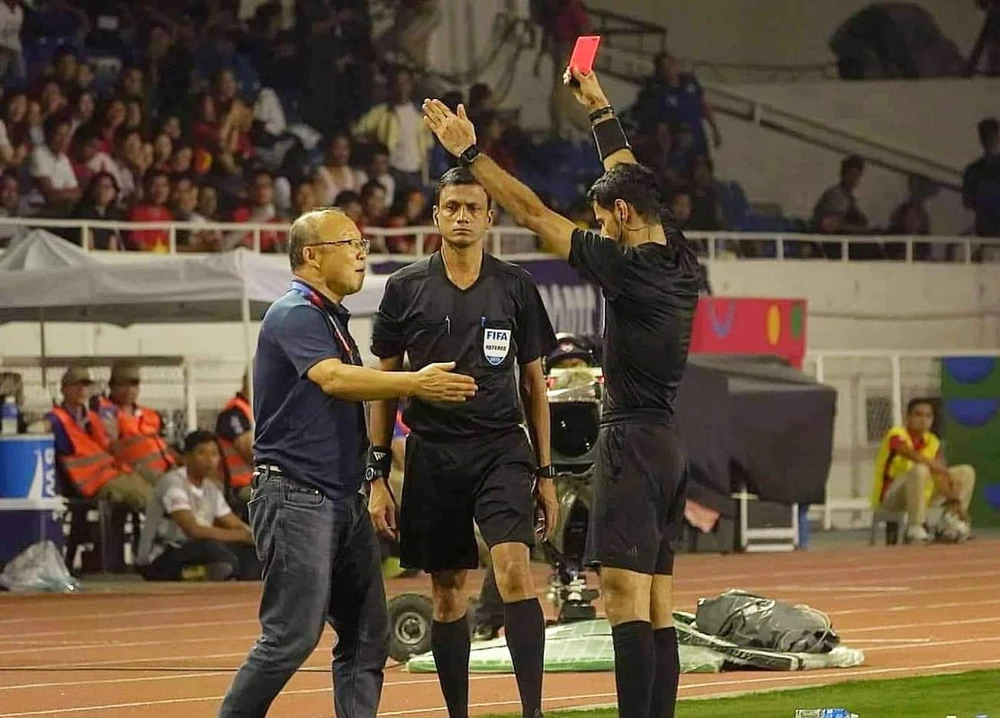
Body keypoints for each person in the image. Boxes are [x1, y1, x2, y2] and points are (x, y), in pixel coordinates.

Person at [421, 64, 701, 718]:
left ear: (622, 217)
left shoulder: (626, 267)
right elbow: (629, 176)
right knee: (658, 606)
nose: (597, 229)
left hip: (630, 443)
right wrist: (599, 109)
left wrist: (469, 154)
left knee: (624, 604)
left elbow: (530, 212)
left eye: (602, 220)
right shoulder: (677, 252)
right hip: (669, 445)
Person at [218, 208, 478, 718]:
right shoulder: (294, 312)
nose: (362, 254)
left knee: (366, 633)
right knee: (290, 636)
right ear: (311, 256)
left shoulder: (328, 317)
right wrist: (414, 382)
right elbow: (334, 379)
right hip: (296, 495)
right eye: (350, 244)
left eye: (362, 244)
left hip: (340, 498)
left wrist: (372, 480)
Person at [367, 166, 559, 718]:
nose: (462, 217)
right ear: (436, 216)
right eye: (452, 207)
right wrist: (376, 475)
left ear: (490, 218)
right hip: (432, 452)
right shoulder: (405, 287)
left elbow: (534, 385)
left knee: (514, 570)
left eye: (473, 208)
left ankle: (532, 712)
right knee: (448, 592)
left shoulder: (516, 285)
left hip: (501, 448)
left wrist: (545, 474)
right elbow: (384, 385)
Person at [137, 430, 260, 581]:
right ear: (186, 458)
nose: (209, 460)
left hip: (195, 551)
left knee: (251, 552)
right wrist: (240, 535)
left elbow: (234, 523)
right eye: (202, 453)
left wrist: (254, 537)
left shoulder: (211, 489)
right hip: (162, 556)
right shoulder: (173, 483)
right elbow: (193, 530)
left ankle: (227, 573)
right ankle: (218, 572)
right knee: (211, 548)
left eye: (214, 454)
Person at [872, 398, 977, 543]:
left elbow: (939, 473)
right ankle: (915, 526)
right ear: (908, 417)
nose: (923, 420)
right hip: (892, 495)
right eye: (918, 415)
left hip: (923, 494)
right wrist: (933, 465)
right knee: (920, 469)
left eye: (928, 416)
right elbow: (907, 453)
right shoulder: (896, 434)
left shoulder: (933, 441)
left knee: (966, 472)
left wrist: (954, 499)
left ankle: (949, 521)